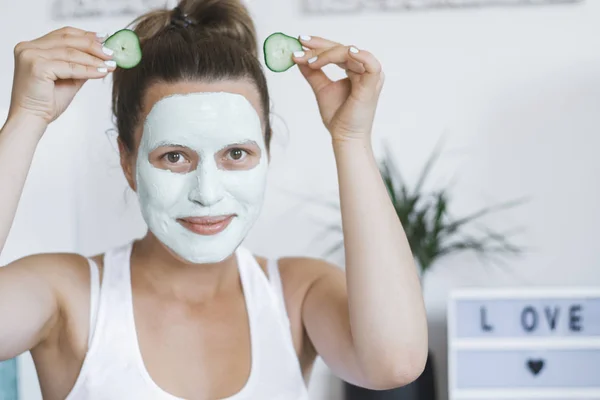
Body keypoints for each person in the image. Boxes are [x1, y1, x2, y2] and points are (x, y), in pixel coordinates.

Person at [0, 0, 428, 399]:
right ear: (127, 161)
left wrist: (350, 139)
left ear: (267, 153)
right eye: (174, 156)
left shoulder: (298, 295)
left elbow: (394, 363)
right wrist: (26, 118)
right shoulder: (68, 296)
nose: (207, 193)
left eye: (236, 154)